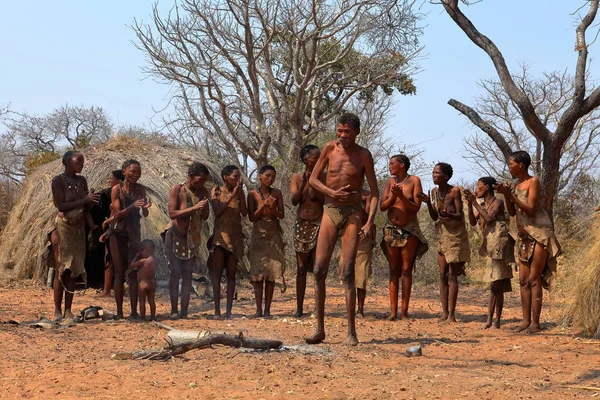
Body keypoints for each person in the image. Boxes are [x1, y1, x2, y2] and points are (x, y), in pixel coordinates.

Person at [305, 112, 379, 346]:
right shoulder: (329, 149)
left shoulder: (364, 155)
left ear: (357, 132)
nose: (343, 136)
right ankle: (319, 329)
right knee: (318, 270)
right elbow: (313, 180)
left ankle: (351, 332)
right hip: (330, 209)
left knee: (348, 272)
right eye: (340, 131)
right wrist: (331, 193)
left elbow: (375, 193)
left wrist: (369, 222)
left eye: (347, 132)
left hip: (353, 212)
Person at [494, 151, 562, 333]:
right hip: (523, 237)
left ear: (521, 165)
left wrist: (511, 195)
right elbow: (513, 212)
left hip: (539, 234)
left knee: (534, 279)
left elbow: (531, 209)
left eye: (511, 164)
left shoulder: (533, 182)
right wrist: (507, 195)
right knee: (523, 280)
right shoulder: (516, 185)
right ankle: (525, 321)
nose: (509, 167)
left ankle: (535, 323)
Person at [49, 151, 99, 321]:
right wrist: (85, 200)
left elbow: (85, 208)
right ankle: (57, 310)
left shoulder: (82, 180)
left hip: (79, 229)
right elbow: (61, 205)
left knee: (73, 269)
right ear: (66, 162)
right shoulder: (58, 181)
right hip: (63, 228)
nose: (82, 164)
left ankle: (68, 309)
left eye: (83, 161)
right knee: (62, 268)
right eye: (78, 160)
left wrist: (90, 202)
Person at [417, 162, 470, 323]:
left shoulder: (454, 191)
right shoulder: (434, 192)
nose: (434, 175)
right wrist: (427, 203)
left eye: (437, 173)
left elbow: (460, 215)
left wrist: (449, 215)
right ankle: (444, 312)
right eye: (433, 172)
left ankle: (452, 314)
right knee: (442, 275)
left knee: (452, 275)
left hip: (455, 236)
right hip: (441, 235)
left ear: (446, 176)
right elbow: (435, 217)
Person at [380, 155, 428, 320]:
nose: (389, 166)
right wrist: (394, 196)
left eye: (392, 163)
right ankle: (393, 312)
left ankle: (404, 312)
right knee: (394, 270)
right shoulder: (389, 182)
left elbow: (416, 207)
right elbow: (382, 206)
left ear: (402, 165)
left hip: (409, 229)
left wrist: (401, 196)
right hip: (391, 229)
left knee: (406, 269)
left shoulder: (414, 180)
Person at [465, 177, 515, 329]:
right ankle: (489, 320)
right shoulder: (481, 204)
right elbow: (473, 222)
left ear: (487, 187)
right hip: (490, 245)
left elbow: (489, 218)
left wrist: (474, 202)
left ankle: (496, 321)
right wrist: (469, 204)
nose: (477, 189)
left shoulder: (497, 202)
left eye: (479, 186)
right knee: (494, 284)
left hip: (499, 245)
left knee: (497, 284)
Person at [164, 162, 210, 319]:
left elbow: (205, 216)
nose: (201, 183)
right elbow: (172, 213)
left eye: (204, 181)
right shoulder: (177, 189)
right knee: (175, 273)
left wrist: (203, 209)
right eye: (199, 180)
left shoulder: (203, 192)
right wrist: (194, 208)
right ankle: (173, 310)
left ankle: (184, 311)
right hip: (175, 235)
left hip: (191, 238)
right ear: (191, 176)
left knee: (188, 275)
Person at [109, 159, 151, 320]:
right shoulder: (116, 190)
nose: (136, 175)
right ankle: (119, 312)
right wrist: (133, 206)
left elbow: (144, 213)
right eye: (133, 172)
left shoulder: (140, 189)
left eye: (138, 173)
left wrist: (145, 208)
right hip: (118, 234)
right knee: (119, 273)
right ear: (124, 171)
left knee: (133, 272)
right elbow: (118, 214)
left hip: (134, 234)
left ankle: (134, 312)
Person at [290, 144, 324, 317]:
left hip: (319, 223)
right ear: (306, 160)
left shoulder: (324, 177)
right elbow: (294, 200)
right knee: (301, 268)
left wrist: (315, 183)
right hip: (302, 224)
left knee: (318, 268)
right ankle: (299, 307)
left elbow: (324, 200)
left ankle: (319, 307)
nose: (319, 161)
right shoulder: (297, 177)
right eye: (315, 158)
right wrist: (304, 183)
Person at [247, 165, 286, 318]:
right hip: (258, 233)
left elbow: (281, 215)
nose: (271, 179)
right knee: (257, 272)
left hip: (273, 233)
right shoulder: (252, 194)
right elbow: (251, 217)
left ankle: (267, 310)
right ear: (260, 176)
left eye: (273, 177)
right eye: (268, 176)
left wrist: (273, 208)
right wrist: (263, 205)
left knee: (272, 271)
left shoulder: (277, 193)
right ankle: (258, 309)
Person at [210, 165, 247, 319]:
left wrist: (240, 196)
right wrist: (232, 196)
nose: (238, 180)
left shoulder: (240, 193)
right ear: (226, 177)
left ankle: (229, 311)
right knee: (217, 275)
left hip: (235, 237)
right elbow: (217, 212)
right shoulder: (216, 191)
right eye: (235, 177)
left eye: (239, 177)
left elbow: (244, 213)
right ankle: (217, 310)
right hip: (220, 237)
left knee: (231, 275)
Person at [339, 189, 376, 318]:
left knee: (362, 272)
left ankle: (360, 309)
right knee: (347, 270)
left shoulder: (367, 195)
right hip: (347, 233)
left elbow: (367, 215)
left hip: (362, 235)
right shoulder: (342, 193)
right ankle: (349, 307)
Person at [97, 169, 124, 297]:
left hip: (116, 229)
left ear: (119, 180)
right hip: (114, 228)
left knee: (112, 259)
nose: (109, 181)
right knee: (111, 259)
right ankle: (109, 289)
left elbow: (120, 214)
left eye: (111, 178)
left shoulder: (121, 194)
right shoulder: (117, 193)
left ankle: (109, 290)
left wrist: (106, 222)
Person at [130, 240, 158, 321]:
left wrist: (136, 256)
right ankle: (153, 316)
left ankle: (142, 317)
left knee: (142, 301)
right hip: (152, 283)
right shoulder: (156, 260)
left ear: (145, 251)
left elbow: (132, 265)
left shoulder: (143, 261)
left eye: (142, 252)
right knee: (151, 301)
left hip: (143, 283)